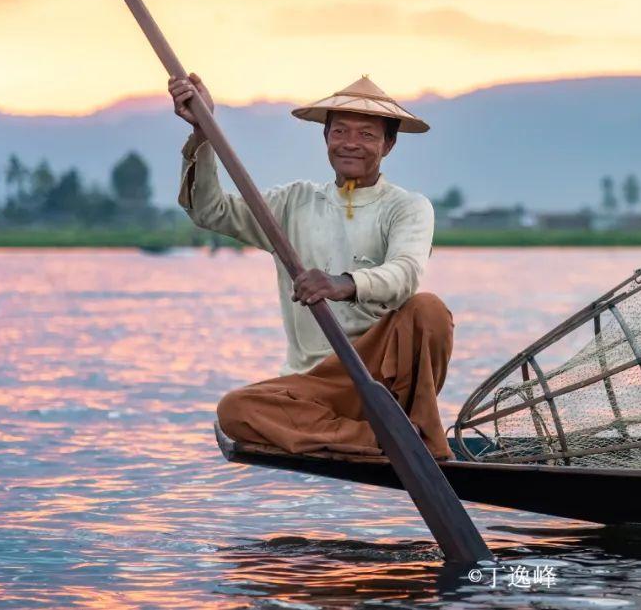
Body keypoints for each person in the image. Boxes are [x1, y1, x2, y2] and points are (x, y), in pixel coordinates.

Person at [169, 72, 453, 459]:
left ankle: (417, 430)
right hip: (314, 384)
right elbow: (210, 210)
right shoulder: (293, 203)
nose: (351, 143)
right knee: (235, 410)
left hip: (382, 374)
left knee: (429, 309)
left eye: (367, 135)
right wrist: (204, 130)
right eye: (340, 132)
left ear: (388, 144)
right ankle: (379, 440)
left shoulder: (407, 207)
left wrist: (344, 283)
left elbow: (404, 274)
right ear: (326, 139)